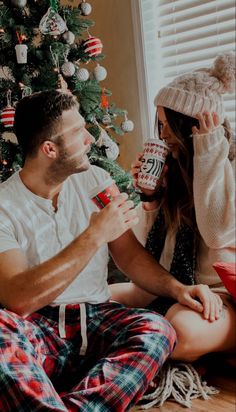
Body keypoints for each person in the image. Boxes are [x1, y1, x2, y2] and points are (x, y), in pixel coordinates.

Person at [0, 90, 220, 412]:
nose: (90, 138)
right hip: (37, 325)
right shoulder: (5, 205)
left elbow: (128, 255)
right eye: (77, 132)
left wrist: (179, 289)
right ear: (49, 149)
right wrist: (93, 234)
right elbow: (18, 298)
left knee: (157, 330)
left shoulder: (96, 180)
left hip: (97, 316)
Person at [110, 52, 236, 364]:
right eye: (160, 125)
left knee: (177, 329)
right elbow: (149, 255)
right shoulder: (175, 169)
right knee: (102, 298)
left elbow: (217, 232)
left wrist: (207, 152)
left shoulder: (229, 164)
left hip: (224, 297)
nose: (162, 135)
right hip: (180, 289)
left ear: (190, 126)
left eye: (167, 125)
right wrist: (151, 199)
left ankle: (214, 346)